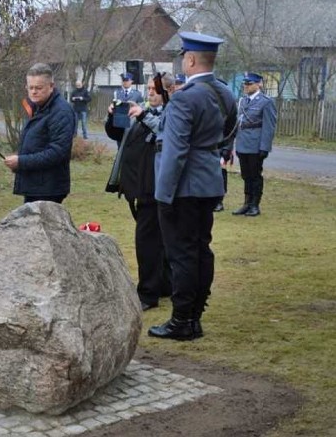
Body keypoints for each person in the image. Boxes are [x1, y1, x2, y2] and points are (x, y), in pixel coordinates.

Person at [149, 32, 237, 341]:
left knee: (182, 255)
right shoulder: (224, 93)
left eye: (183, 56)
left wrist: (163, 194)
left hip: (183, 187)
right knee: (201, 250)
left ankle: (181, 321)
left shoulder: (186, 97)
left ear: (189, 60)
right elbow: (229, 131)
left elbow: (174, 152)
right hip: (209, 181)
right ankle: (195, 316)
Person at [105, 73, 174, 311]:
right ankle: (164, 284)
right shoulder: (142, 109)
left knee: (148, 241)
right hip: (137, 186)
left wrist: (143, 115)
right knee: (156, 240)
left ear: (168, 91)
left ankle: (147, 294)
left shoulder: (170, 113)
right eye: (149, 88)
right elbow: (119, 134)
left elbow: (164, 133)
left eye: (156, 89)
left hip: (154, 188)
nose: (151, 93)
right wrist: (113, 117)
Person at [4, 63, 76, 203]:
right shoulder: (37, 107)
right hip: (35, 184)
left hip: (49, 188)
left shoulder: (61, 112)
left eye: (38, 88)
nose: (33, 92)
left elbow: (58, 152)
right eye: (30, 88)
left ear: (51, 86)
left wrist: (21, 162)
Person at [231, 72, 277, 217]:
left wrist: (264, 147)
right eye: (245, 84)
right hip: (243, 143)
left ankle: (255, 205)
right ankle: (247, 203)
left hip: (256, 145)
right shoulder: (243, 101)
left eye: (249, 84)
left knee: (255, 175)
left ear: (259, 84)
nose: (246, 86)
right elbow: (239, 123)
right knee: (245, 175)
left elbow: (269, 127)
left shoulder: (266, 102)